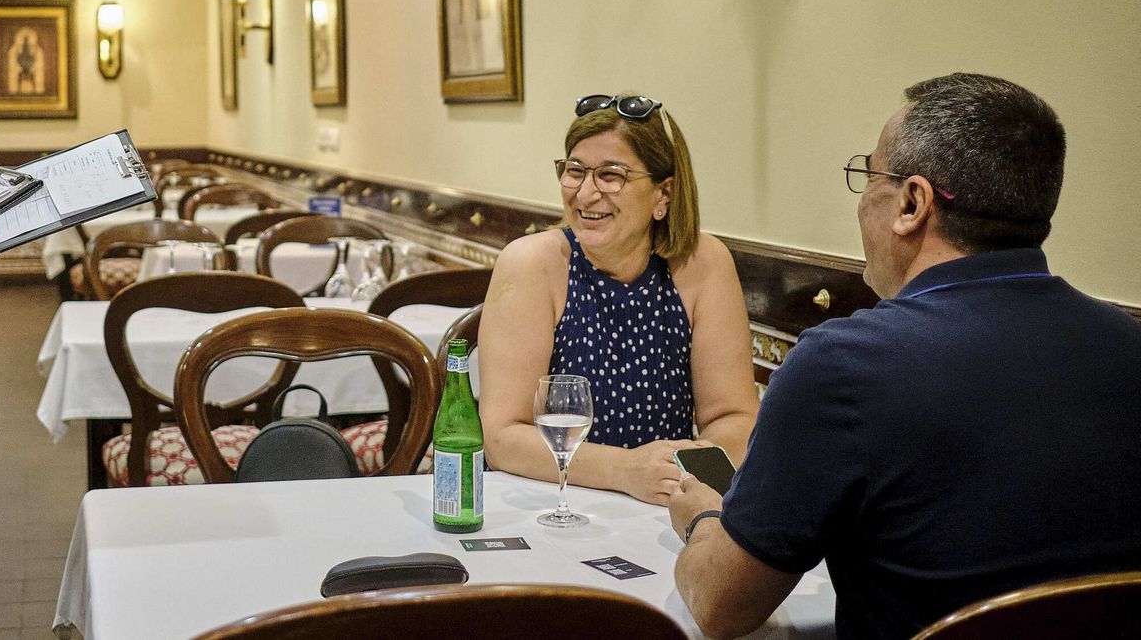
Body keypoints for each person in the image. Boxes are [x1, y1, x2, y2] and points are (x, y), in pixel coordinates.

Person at [668, 73, 1141, 639]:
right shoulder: (1128, 347)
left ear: (912, 202)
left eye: (870, 176)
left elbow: (721, 609)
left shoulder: (845, 366)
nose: (863, 197)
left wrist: (702, 519)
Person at [480, 94, 759, 505]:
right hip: (544, 502)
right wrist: (625, 471)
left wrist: (681, 474)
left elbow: (734, 416)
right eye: (575, 171)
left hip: (659, 506)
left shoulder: (703, 263)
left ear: (663, 194)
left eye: (611, 176)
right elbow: (502, 437)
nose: (586, 194)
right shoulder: (533, 264)